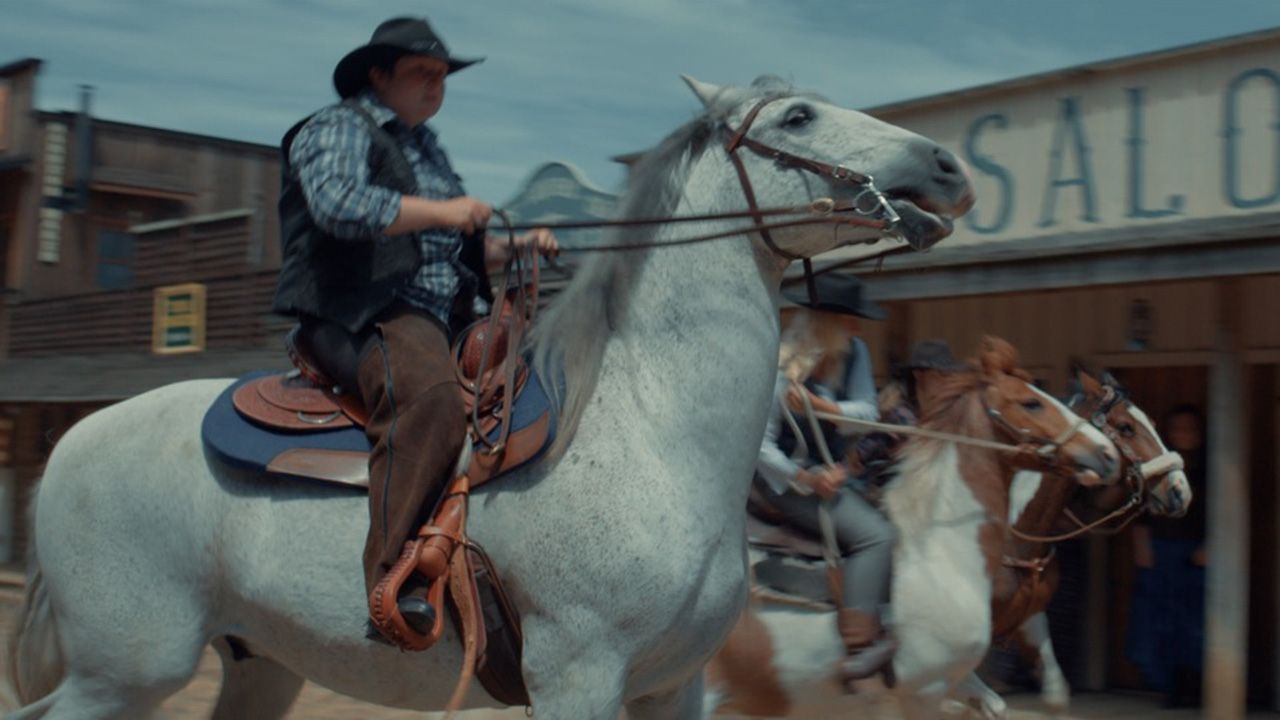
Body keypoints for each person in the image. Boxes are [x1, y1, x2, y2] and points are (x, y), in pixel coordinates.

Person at [271, 16, 558, 641]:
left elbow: (454, 249)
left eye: (442, 78)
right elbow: (338, 205)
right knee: (429, 402)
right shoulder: (338, 126)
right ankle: (393, 585)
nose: (435, 87)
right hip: (365, 310)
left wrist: (515, 248)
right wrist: (448, 211)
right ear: (379, 75)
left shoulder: (426, 148)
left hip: (444, 312)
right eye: (422, 74)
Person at [754, 273, 897, 682]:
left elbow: (867, 413)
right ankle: (859, 646)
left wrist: (822, 406)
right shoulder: (780, 365)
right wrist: (806, 477)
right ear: (828, 322)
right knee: (877, 536)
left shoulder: (855, 352)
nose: (857, 328)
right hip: (784, 481)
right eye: (850, 320)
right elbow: (760, 448)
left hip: (836, 474)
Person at [1126, 403, 1208, 707]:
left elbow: (1225, 511)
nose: (1185, 434)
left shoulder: (1210, 468)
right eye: (1178, 428)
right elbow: (1142, 513)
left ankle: (1197, 686)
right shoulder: (1159, 468)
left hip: (1197, 555)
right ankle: (1171, 686)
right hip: (1161, 552)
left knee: (1195, 624)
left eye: (1191, 428)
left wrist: (1210, 548)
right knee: (1159, 621)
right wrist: (1143, 548)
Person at [849, 339, 966, 488]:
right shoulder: (899, 417)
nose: (946, 382)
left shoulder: (944, 415)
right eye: (939, 375)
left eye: (948, 376)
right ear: (919, 375)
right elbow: (857, 457)